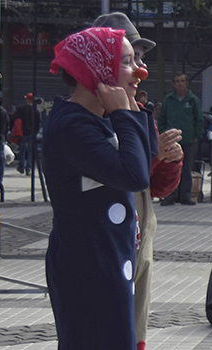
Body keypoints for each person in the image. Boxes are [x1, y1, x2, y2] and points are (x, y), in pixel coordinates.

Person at [43, 27, 153, 349]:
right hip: (88, 268)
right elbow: (134, 175)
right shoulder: (71, 126)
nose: (139, 72)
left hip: (109, 259)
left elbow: (141, 164)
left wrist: (128, 109)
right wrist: (122, 112)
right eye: (128, 63)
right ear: (99, 68)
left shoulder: (97, 119)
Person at [91, 14, 182, 348]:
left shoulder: (139, 110)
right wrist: (155, 154)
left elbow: (156, 186)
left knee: (136, 328)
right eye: (131, 58)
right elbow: (118, 173)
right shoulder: (92, 117)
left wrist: (171, 160)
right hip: (107, 240)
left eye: (141, 57)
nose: (141, 67)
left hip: (141, 235)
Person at [159, 73, 203, 205]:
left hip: (189, 140)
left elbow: (199, 120)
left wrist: (197, 136)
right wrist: (163, 134)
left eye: (182, 81)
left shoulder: (193, 100)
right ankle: (170, 196)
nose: (180, 83)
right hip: (171, 141)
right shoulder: (168, 100)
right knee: (170, 168)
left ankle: (185, 196)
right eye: (177, 81)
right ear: (173, 84)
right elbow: (162, 119)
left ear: (186, 83)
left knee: (187, 169)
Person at [11, 93, 40, 175]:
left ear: (27, 100)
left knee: (22, 151)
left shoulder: (20, 108)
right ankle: (29, 168)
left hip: (22, 133)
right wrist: (35, 132)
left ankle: (21, 167)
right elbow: (38, 123)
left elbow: (13, 118)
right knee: (30, 151)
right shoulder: (36, 111)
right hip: (32, 134)